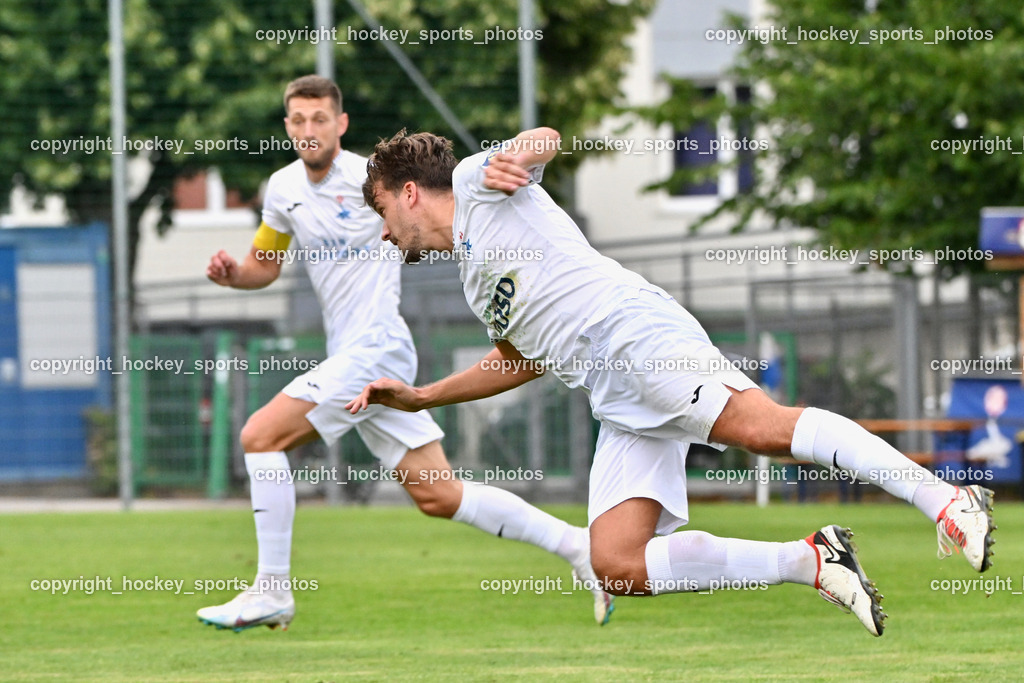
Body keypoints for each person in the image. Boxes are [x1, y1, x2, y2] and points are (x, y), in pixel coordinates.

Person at [347, 127, 998, 637]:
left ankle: (946, 500)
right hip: (614, 393)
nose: (383, 230)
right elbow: (519, 357)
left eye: (380, 209)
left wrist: (520, 151)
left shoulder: (474, 181)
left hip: (632, 334)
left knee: (763, 430)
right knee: (618, 562)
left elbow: (545, 138)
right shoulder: (471, 273)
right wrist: (424, 395)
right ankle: (814, 561)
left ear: (408, 192)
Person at [197, 78, 613, 632]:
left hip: (377, 347)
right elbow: (265, 265)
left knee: (259, 436)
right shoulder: (281, 189)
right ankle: (580, 548)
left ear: (340, 125)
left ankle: (271, 590)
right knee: (438, 494)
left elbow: (445, 203)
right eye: (297, 120)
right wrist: (235, 276)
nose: (308, 129)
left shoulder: (372, 180)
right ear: (287, 127)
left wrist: (519, 155)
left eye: (319, 118)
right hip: (355, 353)